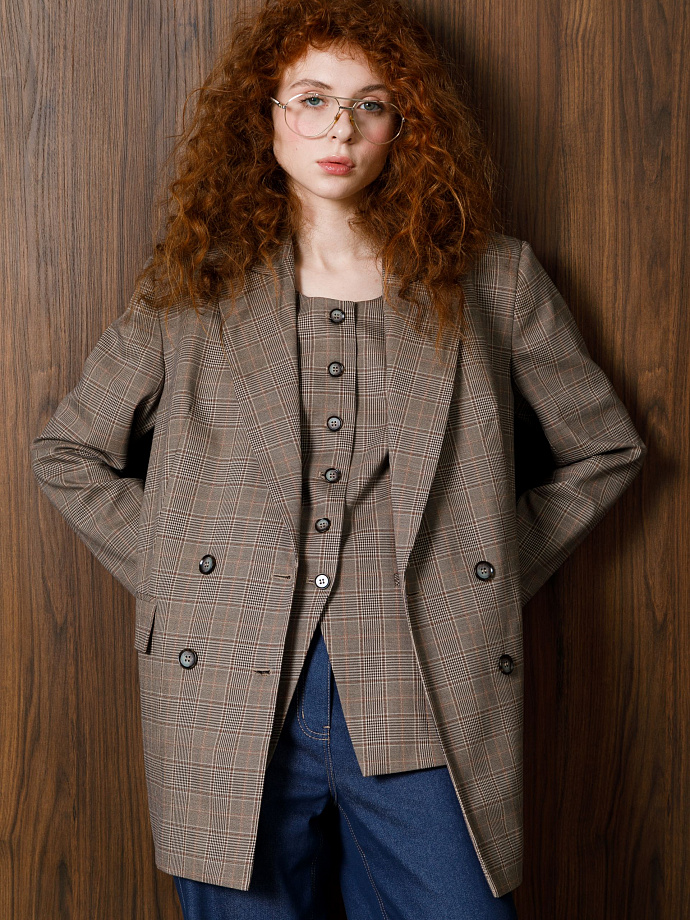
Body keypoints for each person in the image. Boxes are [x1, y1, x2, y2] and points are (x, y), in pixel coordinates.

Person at [30, 0, 647, 917]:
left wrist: (479, 568)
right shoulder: (193, 285)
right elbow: (70, 453)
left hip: (426, 687)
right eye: (313, 99)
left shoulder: (494, 278)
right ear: (267, 114)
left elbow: (605, 447)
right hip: (227, 686)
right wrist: (186, 571)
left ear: (405, 124)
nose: (339, 130)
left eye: (371, 104)